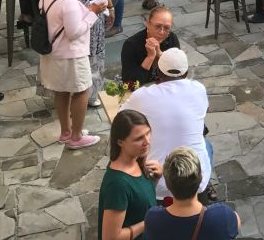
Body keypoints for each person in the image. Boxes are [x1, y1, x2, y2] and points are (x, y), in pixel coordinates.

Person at [121, 49, 214, 201]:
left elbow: (122, 116)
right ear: (186, 73)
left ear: (157, 72)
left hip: (158, 182)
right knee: (206, 145)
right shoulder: (198, 89)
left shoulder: (142, 95)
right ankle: (206, 188)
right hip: (196, 179)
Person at [38, 0, 107, 150]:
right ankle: (76, 137)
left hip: (53, 55)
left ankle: (66, 131)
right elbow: (74, 32)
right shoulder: (68, 3)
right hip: (72, 56)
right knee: (81, 91)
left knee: (61, 92)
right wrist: (92, 13)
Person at [144, 147, 240, 240]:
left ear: (167, 184)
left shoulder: (154, 219)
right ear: (201, 178)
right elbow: (237, 224)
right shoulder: (222, 215)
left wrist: (155, 181)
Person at [98, 110, 162, 240]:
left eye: (148, 133)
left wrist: (155, 179)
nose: (147, 141)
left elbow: (138, 198)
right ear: (120, 142)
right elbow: (110, 237)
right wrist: (148, 222)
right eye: (139, 138)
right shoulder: (118, 185)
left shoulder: (136, 159)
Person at [120, 5, 181, 86]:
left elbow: (178, 72)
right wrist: (150, 57)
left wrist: (160, 54)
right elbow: (129, 83)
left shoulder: (172, 39)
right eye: (158, 26)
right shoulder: (131, 44)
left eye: (166, 28)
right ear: (148, 24)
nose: (162, 32)